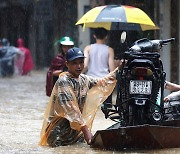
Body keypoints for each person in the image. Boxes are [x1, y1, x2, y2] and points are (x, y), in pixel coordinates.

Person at [39, 47, 118, 147]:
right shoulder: (63, 82)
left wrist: (119, 70)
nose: (79, 66)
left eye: (81, 62)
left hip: (74, 133)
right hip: (58, 134)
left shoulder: (84, 79)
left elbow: (103, 82)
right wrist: (86, 131)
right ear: (67, 64)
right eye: (75, 63)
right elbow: (71, 109)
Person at [82, 28, 115, 108]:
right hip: (105, 81)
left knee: (90, 108)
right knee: (106, 108)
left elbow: (85, 66)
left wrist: (78, 75)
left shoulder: (88, 48)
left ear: (94, 36)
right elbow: (112, 71)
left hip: (91, 81)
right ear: (106, 37)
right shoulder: (109, 50)